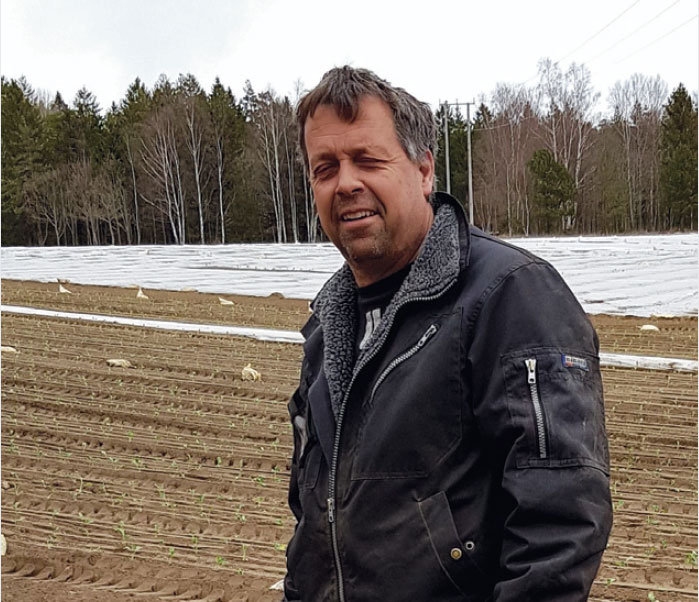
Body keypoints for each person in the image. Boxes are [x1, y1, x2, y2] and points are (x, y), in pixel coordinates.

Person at [283, 66, 612, 602]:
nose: (345, 183)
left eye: (368, 160)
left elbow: (560, 525)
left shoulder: (510, 297)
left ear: (423, 170)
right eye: (326, 168)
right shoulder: (329, 326)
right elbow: (314, 518)